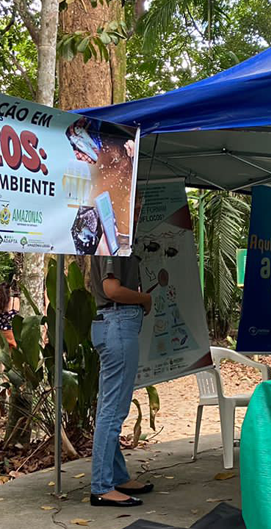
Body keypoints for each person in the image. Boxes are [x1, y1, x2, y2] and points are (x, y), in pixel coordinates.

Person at [88, 195, 152, 508]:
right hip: (117, 322)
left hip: (110, 324)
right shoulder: (112, 238)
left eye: (140, 202)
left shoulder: (113, 236)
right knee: (113, 412)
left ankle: (117, 476)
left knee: (108, 407)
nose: (138, 207)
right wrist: (144, 300)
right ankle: (101, 486)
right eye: (133, 202)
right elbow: (111, 289)